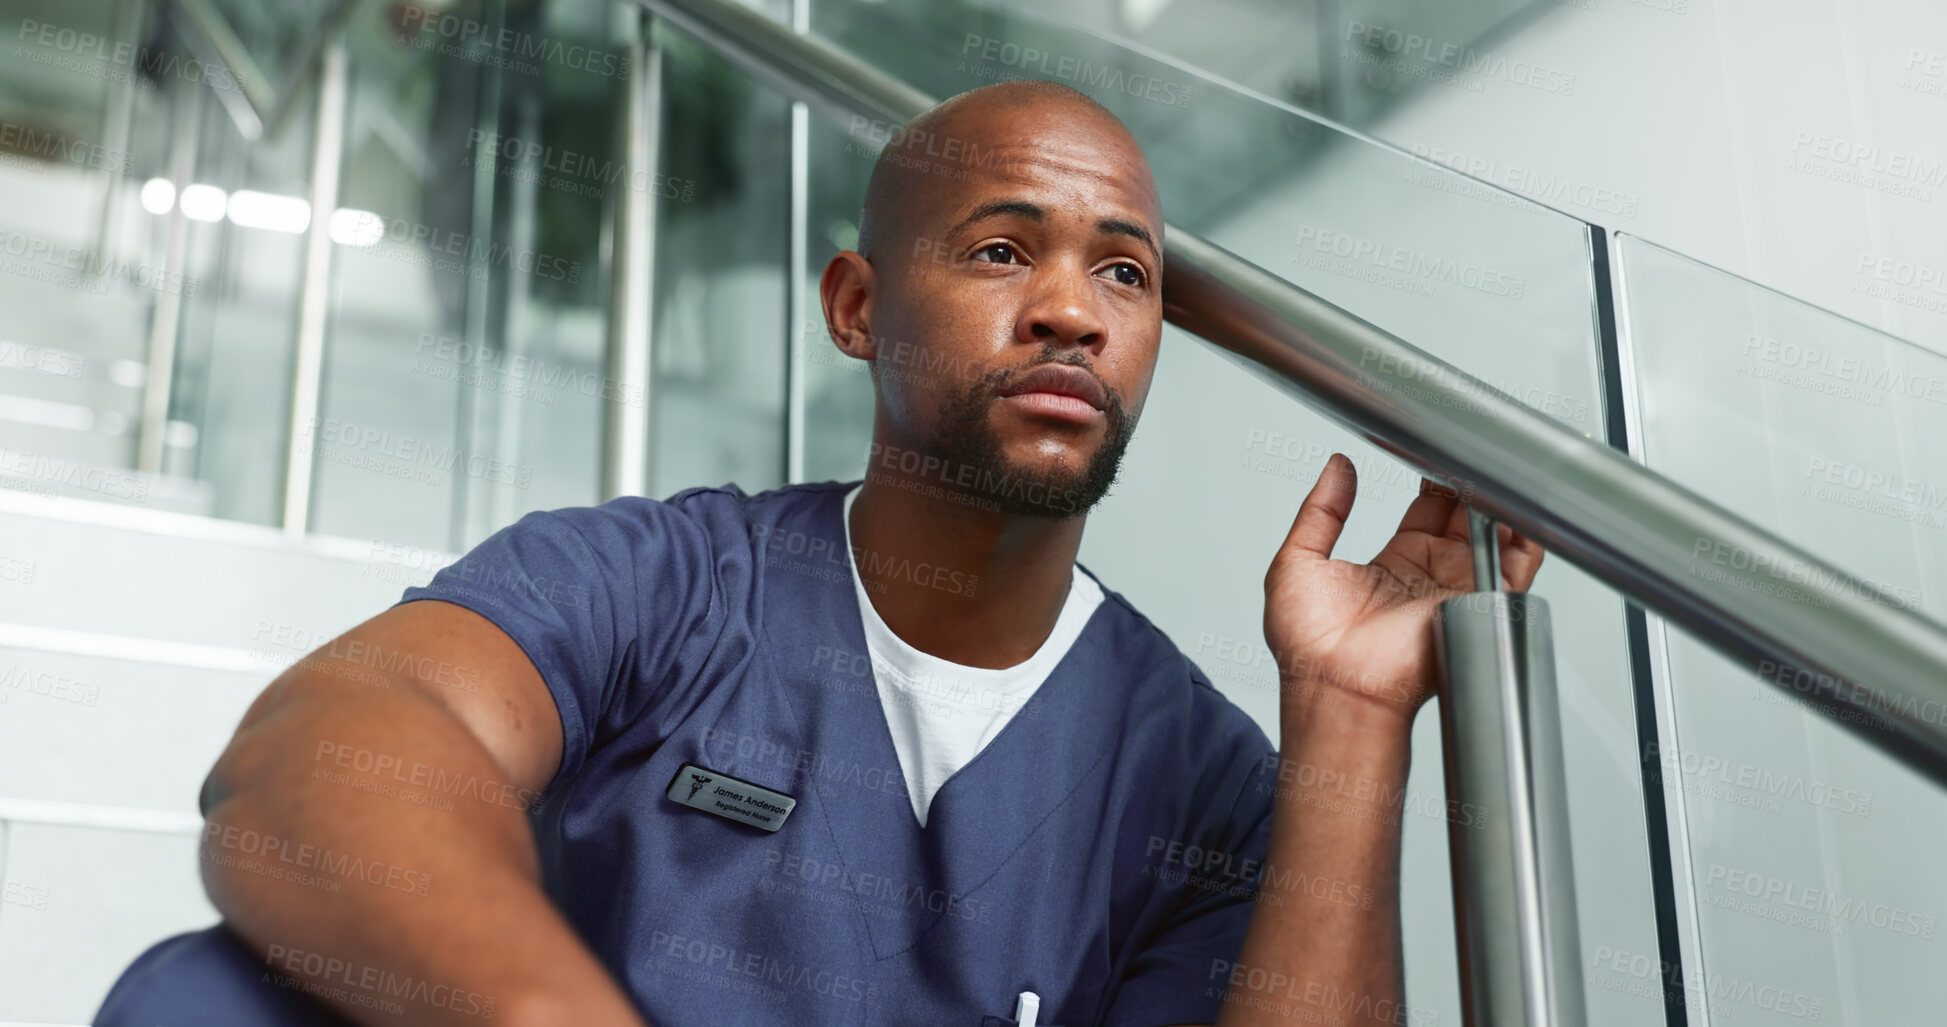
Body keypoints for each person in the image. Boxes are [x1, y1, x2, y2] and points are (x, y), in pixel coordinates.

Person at [98, 79, 1541, 1027]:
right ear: (857, 307)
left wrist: (1352, 716)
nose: (1071, 311)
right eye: (999, 251)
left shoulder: (1195, 779)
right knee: (205, 1001)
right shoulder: (661, 584)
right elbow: (322, 768)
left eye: (1124, 270)